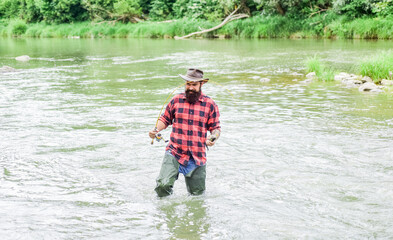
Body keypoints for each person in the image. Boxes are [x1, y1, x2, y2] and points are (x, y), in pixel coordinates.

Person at [149, 68, 221, 197]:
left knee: (197, 196)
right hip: (174, 152)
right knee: (162, 186)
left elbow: (215, 128)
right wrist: (156, 130)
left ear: (201, 84)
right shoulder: (176, 101)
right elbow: (165, 119)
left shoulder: (210, 104)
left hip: (197, 156)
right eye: (188, 84)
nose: (190, 88)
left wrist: (213, 138)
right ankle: (164, 214)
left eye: (194, 85)